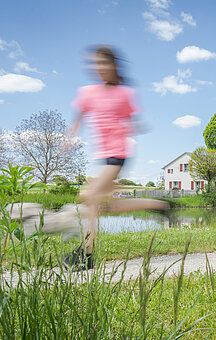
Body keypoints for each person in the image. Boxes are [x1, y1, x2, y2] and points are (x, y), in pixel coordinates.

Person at [67, 45, 169, 269]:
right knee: (109, 207)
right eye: (95, 63)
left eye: (104, 63)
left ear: (114, 66)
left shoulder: (124, 93)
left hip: (118, 155)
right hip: (104, 157)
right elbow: (80, 114)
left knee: (90, 197)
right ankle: (161, 205)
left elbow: (131, 119)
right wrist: (70, 135)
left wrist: (136, 125)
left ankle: (86, 254)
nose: (99, 67)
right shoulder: (88, 92)